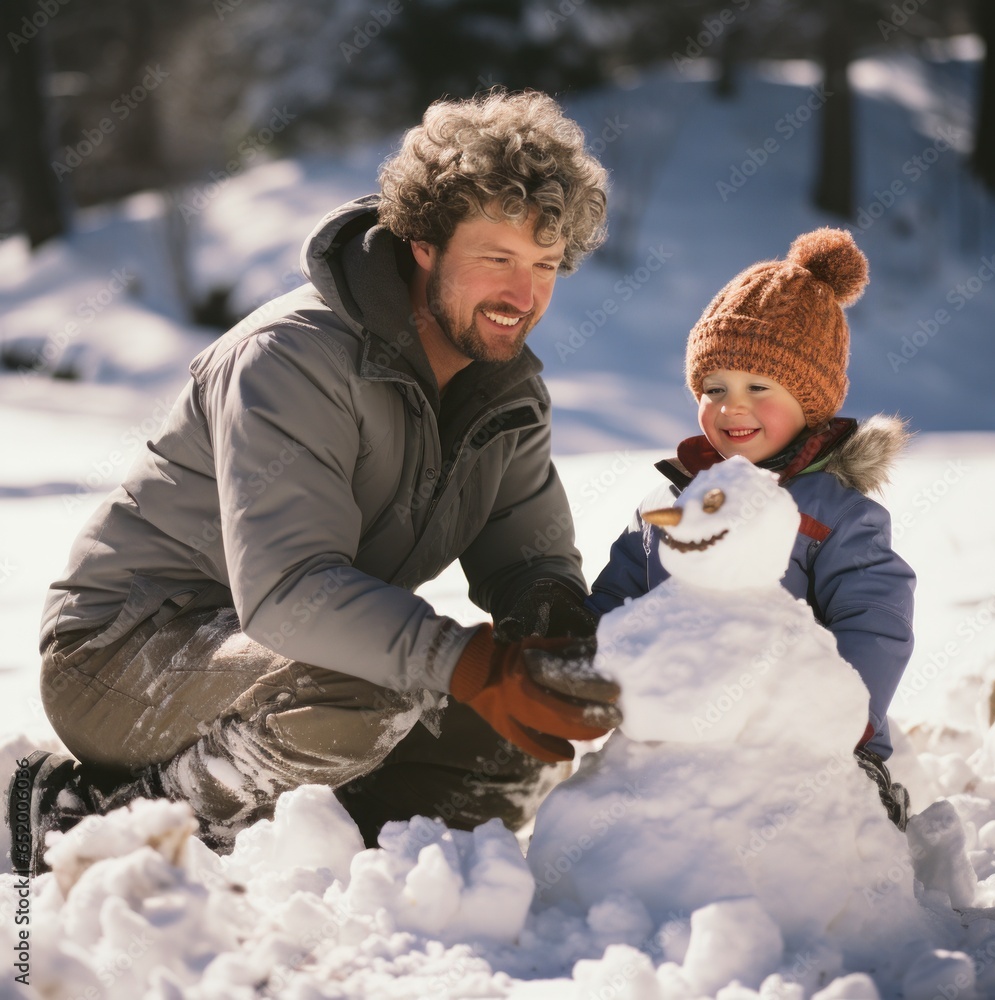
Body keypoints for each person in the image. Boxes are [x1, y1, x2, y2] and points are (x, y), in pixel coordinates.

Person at [11, 88, 623, 875]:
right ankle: (93, 832)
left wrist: (551, 635)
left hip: (294, 661)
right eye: (498, 259)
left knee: (513, 741)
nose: (524, 295)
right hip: (124, 650)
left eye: (544, 266)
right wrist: (468, 662)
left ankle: (325, 867)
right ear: (424, 243)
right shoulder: (292, 358)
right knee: (376, 686)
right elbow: (288, 590)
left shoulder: (505, 392)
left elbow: (530, 560)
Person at [586, 227, 915, 828]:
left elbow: (876, 621)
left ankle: (866, 817)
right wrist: (588, 660)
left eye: (757, 387)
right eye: (715, 389)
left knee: (826, 829)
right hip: (679, 736)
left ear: (810, 401)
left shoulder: (833, 512)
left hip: (804, 740)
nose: (731, 406)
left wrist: (846, 724)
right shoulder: (672, 501)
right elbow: (616, 598)